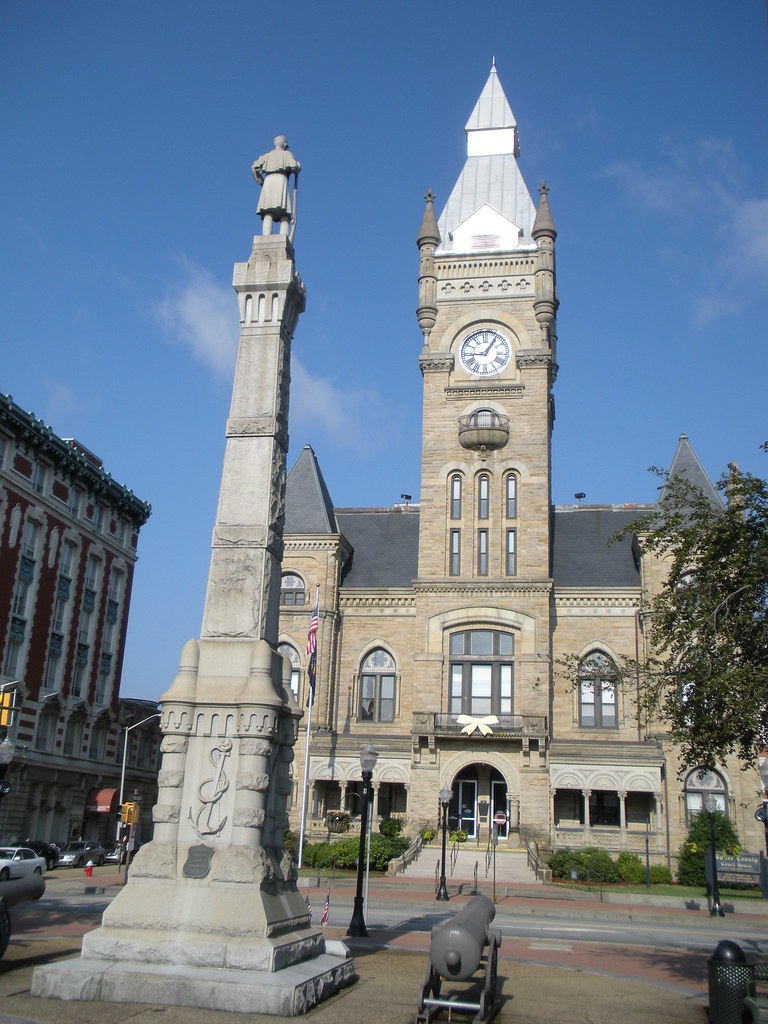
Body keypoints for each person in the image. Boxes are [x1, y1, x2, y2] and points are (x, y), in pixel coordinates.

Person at [252, 135, 300, 235]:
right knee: (284, 215)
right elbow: (294, 167)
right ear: (285, 145)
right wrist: (298, 166)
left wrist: (261, 181)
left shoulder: (266, 156)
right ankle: (284, 237)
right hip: (281, 181)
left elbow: (254, 167)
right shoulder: (287, 154)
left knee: (268, 212)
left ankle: (266, 237)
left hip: (268, 182)